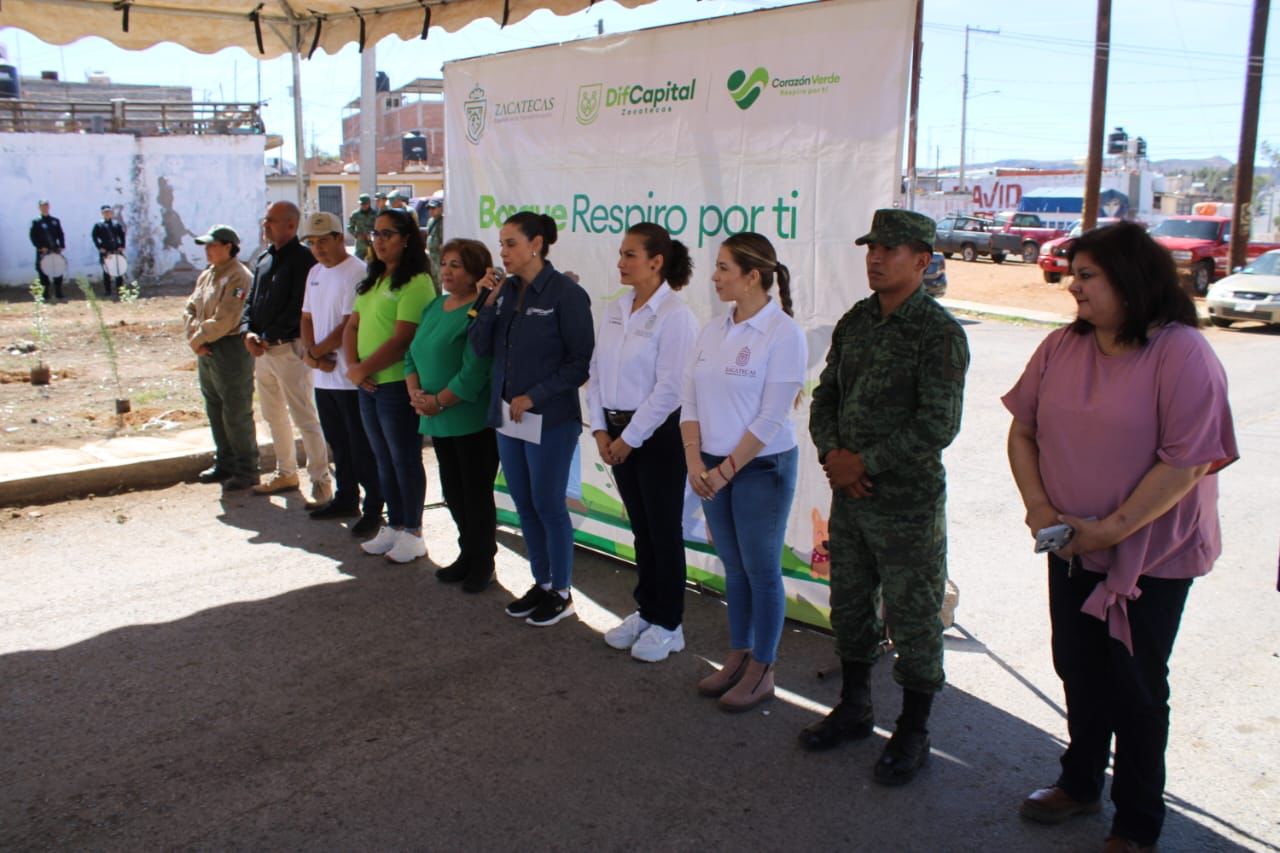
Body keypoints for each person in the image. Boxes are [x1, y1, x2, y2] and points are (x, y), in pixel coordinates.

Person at [1003, 222, 1237, 852]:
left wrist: (1106, 530)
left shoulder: (1182, 351)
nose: (1071, 287)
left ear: (1130, 282)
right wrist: (1039, 508)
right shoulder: (1059, 347)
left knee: (1134, 686)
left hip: (1151, 557)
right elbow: (1022, 430)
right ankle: (1079, 784)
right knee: (1078, 668)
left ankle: (1137, 821)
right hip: (1068, 544)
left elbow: (1186, 463)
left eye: (1086, 276)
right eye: (1072, 274)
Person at [805, 209, 970, 786]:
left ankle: (914, 731)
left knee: (916, 619)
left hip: (907, 507)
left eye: (890, 249)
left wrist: (863, 462)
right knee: (849, 607)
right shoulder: (855, 322)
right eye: (871, 247)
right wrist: (834, 458)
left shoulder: (939, 333)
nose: (875, 257)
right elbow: (824, 398)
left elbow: (938, 425)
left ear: (922, 262)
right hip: (852, 499)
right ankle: (854, 708)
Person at [680, 232, 806, 711]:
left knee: (761, 569)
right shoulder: (712, 329)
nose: (714, 276)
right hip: (713, 467)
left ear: (753, 276)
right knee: (734, 567)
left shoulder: (783, 333)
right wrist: (695, 461)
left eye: (724, 268)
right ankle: (739, 655)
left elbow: (771, 418)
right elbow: (689, 399)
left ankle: (763, 667)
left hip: (761, 469)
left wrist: (725, 470)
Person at [469, 212, 594, 626]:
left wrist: (535, 395)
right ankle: (542, 583)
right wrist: (485, 300)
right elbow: (478, 346)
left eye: (510, 244)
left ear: (536, 244)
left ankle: (562, 590)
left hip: (551, 419)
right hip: (508, 418)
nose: (502, 252)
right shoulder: (503, 292)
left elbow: (579, 364)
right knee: (523, 502)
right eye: (501, 244)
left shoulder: (566, 294)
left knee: (548, 503)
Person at [588, 223, 697, 662]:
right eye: (620, 254)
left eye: (630, 255)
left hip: (656, 438)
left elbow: (671, 389)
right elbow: (596, 373)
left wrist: (630, 439)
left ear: (656, 262)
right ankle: (647, 611)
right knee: (641, 530)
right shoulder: (615, 309)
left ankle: (670, 623)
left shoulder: (677, 316)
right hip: (616, 436)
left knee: (663, 532)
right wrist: (600, 429)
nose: (620, 262)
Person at [343, 208, 436, 564]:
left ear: (406, 239)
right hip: (368, 385)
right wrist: (354, 368)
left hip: (397, 386)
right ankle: (395, 525)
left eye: (387, 234)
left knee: (404, 459)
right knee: (383, 459)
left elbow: (402, 339)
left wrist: (362, 368)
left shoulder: (417, 283)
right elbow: (353, 326)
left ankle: (413, 530)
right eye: (376, 234)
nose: (378, 241)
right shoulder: (375, 279)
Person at [406, 238, 499, 592]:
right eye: (444, 263)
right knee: (454, 493)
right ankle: (467, 553)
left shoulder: (480, 310)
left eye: (456, 265)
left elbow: (475, 368)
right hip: (434, 416)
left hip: (467, 419)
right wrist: (415, 393)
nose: (446, 270)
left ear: (476, 271)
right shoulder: (435, 306)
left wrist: (440, 401)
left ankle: (483, 561)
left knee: (475, 494)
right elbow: (411, 355)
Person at [298, 211, 384, 539]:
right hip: (323, 376)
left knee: (361, 447)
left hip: (349, 377)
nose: (318, 248)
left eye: (324, 240)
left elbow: (350, 322)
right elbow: (306, 317)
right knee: (339, 444)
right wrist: (312, 353)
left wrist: (317, 352)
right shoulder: (314, 273)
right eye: (312, 242)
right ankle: (347, 497)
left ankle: (376, 505)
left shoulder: (357, 272)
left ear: (339, 238)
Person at [240, 201, 332, 503]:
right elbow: (251, 302)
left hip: (290, 349)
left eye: (271, 221)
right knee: (272, 414)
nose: (265, 226)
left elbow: (299, 308)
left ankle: (320, 479)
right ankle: (286, 472)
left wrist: (268, 335)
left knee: (303, 414)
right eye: (265, 221)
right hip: (263, 351)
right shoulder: (264, 259)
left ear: (290, 225)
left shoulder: (304, 261)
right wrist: (248, 332)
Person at [184, 225, 260, 491]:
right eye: (207, 245)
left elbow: (227, 317)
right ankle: (225, 462)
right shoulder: (208, 275)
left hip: (229, 348)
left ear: (229, 247)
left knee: (236, 410)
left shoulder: (239, 277)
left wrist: (197, 339)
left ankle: (247, 468)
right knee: (215, 407)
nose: (208, 250)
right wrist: (195, 337)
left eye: (213, 245)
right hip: (207, 347)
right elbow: (190, 308)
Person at [29, 199, 65, 300]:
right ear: (39, 208)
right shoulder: (36, 222)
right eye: (42, 206)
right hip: (43, 252)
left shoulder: (55, 221)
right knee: (43, 273)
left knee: (58, 271)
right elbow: (33, 237)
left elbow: (60, 234)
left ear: (49, 207)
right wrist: (40, 247)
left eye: (46, 205)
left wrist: (61, 245)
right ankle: (45, 294)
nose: (45, 207)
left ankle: (58, 293)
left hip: (54, 250)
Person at [91, 205, 127, 298]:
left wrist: (122, 246)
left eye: (109, 212)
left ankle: (120, 290)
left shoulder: (116, 224)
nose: (107, 214)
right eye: (105, 212)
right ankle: (108, 290)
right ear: (102, 214)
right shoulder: (98, 225)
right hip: (106, 251)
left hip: (116, 250)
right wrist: (100, 247)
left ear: (111, 213)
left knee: (119, 271)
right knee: (107, 271)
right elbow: (94, 237)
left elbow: (122, 236)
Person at [347, 193, 377, 263]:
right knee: (357, 263)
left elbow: (379, 228)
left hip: (372, 244)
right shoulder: (355, 214)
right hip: (360, 245)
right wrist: (356, 235)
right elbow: (349, 227)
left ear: (369, 203)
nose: (363, 206)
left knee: (373, 264)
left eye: (365, 204)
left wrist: (372, 235)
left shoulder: (375, 214)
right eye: (361, 204)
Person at [425, 198, 444, 289]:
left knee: (440, 279)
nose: (431, 211)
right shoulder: (430, 221)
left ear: (441, 208)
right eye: (429, 209)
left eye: (433, 208)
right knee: (433, 280)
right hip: (431, 255)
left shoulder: (444, 222)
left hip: (439, 256)